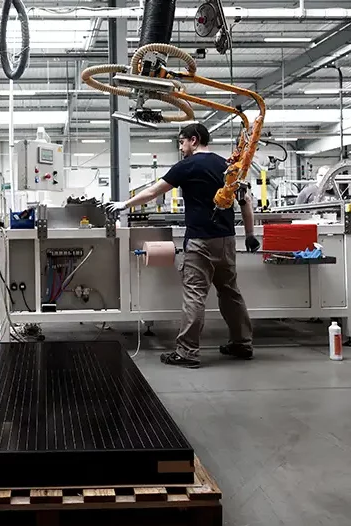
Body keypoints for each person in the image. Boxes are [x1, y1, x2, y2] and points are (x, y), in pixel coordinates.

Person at [108, 123, 259, 368]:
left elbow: (154, 192)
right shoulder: (227, 165)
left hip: (201, 242)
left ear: (194, 140)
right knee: (230, 292)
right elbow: (246, 201)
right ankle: (242, 343)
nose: (181, 147)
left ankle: (187, 352)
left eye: (182, 142)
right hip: (227, 240)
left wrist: (125, 205)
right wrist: (250, 234)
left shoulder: (187, 166)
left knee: (194, 295)